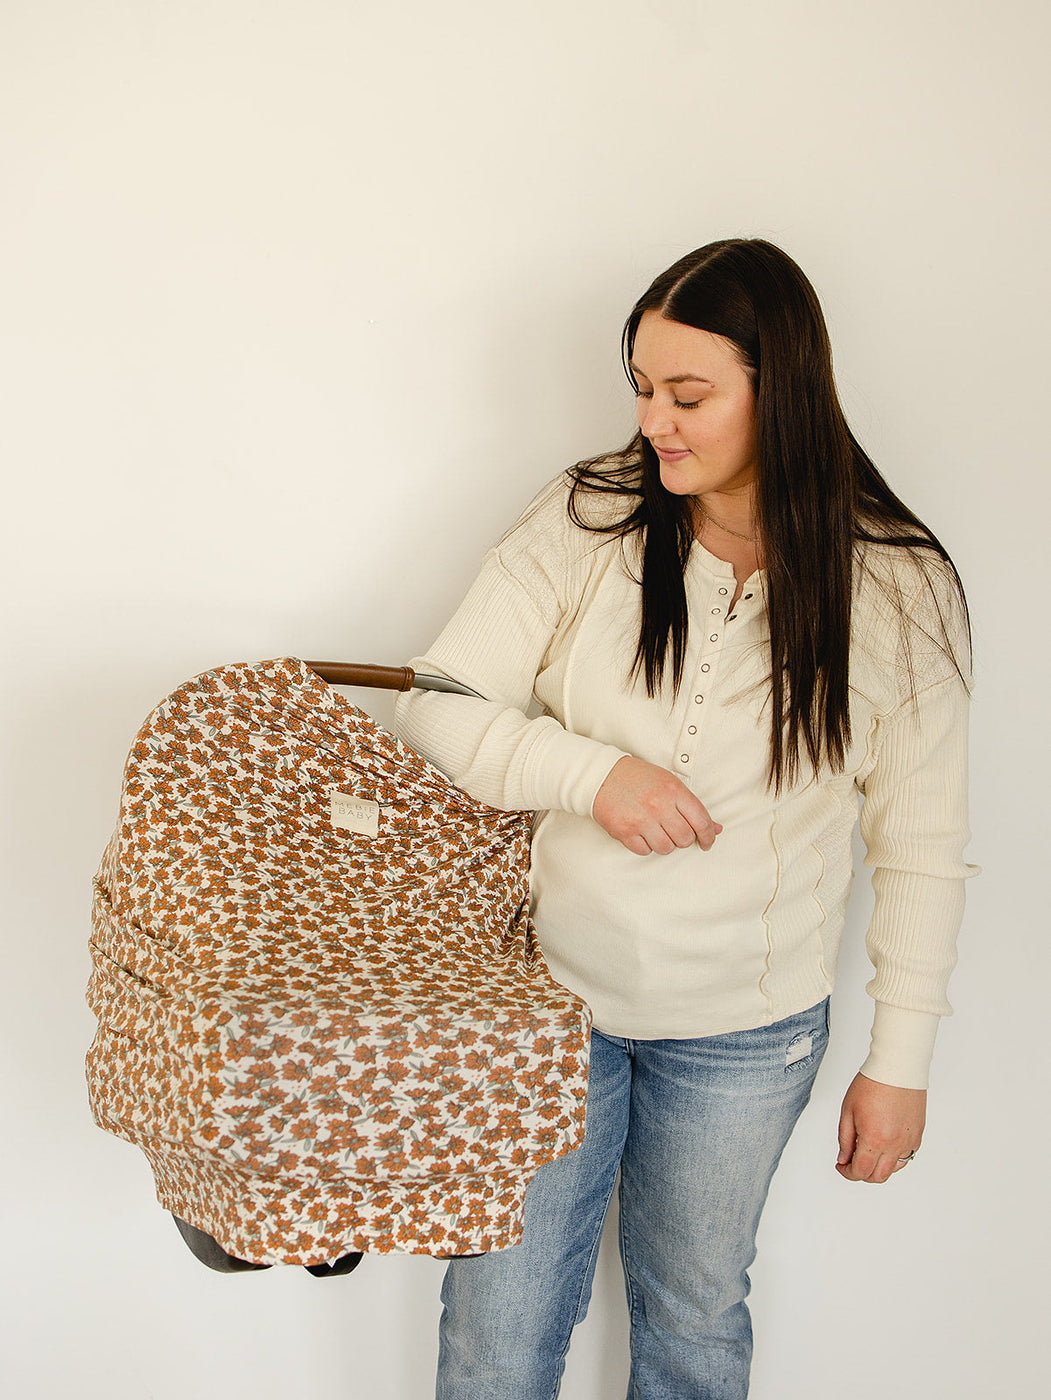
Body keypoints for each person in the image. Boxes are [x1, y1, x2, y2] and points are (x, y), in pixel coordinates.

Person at [393, 238, 976, 1400]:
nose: (653, 420)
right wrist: (592, 774)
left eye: (688, 394)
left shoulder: (900, 586)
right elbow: (438, 700)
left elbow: (919, 846)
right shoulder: (592, 516)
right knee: (496, 1330)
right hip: (546, 1004)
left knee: (693, 1323)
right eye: (643, 387)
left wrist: (898, 1060)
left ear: (780, 388)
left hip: (747, 1033)